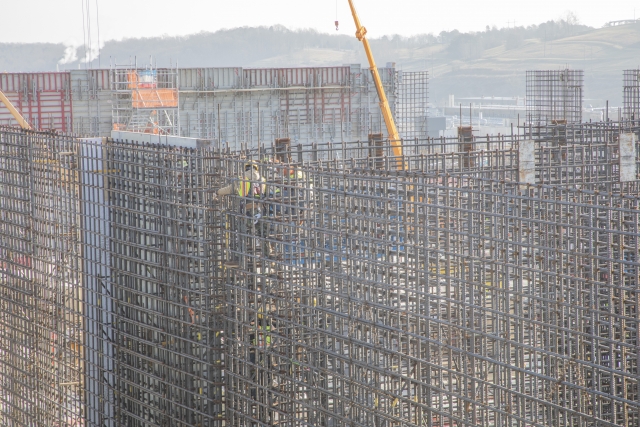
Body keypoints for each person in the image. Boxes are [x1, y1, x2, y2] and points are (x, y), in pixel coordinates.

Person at [217, 160, 273, 258]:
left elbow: (228, 190)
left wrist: (217, 192)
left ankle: (242, 256)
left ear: (245, 168)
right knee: (263, 235)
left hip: (247, 211)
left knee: (242, 233)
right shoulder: (263, 180)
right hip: (261, 210)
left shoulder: (242, 179)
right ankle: (267, 254)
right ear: (256, 168)